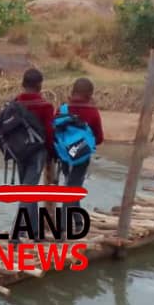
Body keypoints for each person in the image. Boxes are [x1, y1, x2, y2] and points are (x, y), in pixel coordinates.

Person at [0, 68, 55, 241]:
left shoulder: (14, 104)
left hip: (18, 153)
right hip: (37, 153)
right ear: (40, 85)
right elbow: (49, 133)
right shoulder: (45, 106)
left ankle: (36, 232)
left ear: (23, 84)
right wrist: (52, 153)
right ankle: (16, 233)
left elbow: (2, 129)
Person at [60, 77, 104, 237]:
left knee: (71, 185)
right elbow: (99, 138)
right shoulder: (93, 112)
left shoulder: (63, 109)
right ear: (90, 94)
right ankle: (64, 228)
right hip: (81, 156)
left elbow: (54, 132)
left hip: (64, 156)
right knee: (72, 188)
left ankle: (78, 222)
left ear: (73, 92)